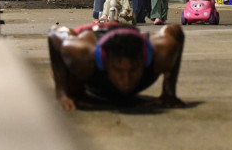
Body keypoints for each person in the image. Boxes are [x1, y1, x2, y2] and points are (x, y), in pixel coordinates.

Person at [47, 21, 186, 111]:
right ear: (104, 63)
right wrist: (62, 93)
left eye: (133, 70)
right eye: (118, 71)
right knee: (70, 83)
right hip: (91, 34)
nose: (126, 79)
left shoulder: (161, 51)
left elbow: (176, 30)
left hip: (125, 32)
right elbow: (54, 34)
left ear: (144, 61)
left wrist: (169, 92)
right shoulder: (81, 54)